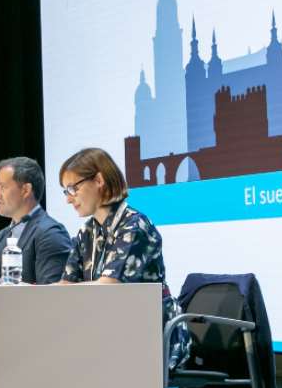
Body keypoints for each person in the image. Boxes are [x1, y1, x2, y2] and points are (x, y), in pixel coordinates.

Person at [56, 147, 191, 368]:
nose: (68, 200)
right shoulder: (86, 232)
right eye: (65, 191)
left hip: (152, 334)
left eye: (73, 188)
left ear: (98, 180)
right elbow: (66, 285)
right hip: (110, 330)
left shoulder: (134, 225)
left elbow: (108, 289)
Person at [0, 156, 73, 286]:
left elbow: (52, 295)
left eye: (2, 187)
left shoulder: (50, 233)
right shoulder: (2, 235)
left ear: (25, 190)